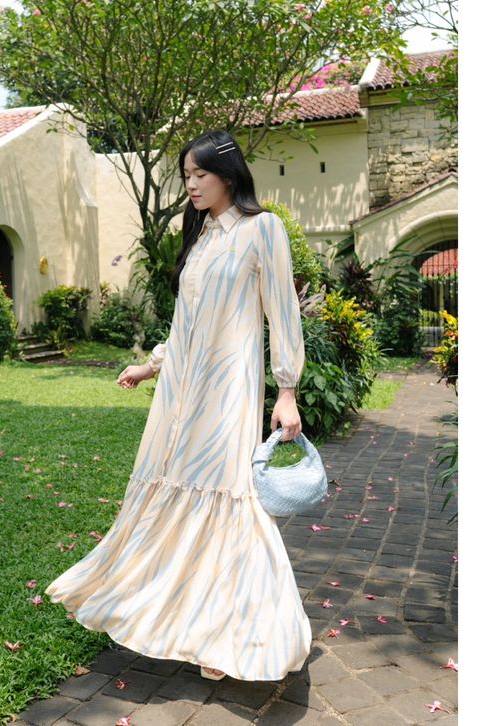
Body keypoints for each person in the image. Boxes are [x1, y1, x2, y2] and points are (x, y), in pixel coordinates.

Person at [45, 129, 310, 682]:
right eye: (186, 175)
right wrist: (151, 366)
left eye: (200, 174)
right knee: (176, 492)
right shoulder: (203, 236)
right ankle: (181, 617)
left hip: (228, 391)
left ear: (228, 175)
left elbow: (283, 312)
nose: (190, 184)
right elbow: (188, 323)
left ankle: (233, 634)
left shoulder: (262, 230)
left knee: (228, 498)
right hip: (180, 394)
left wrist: (286, 390)